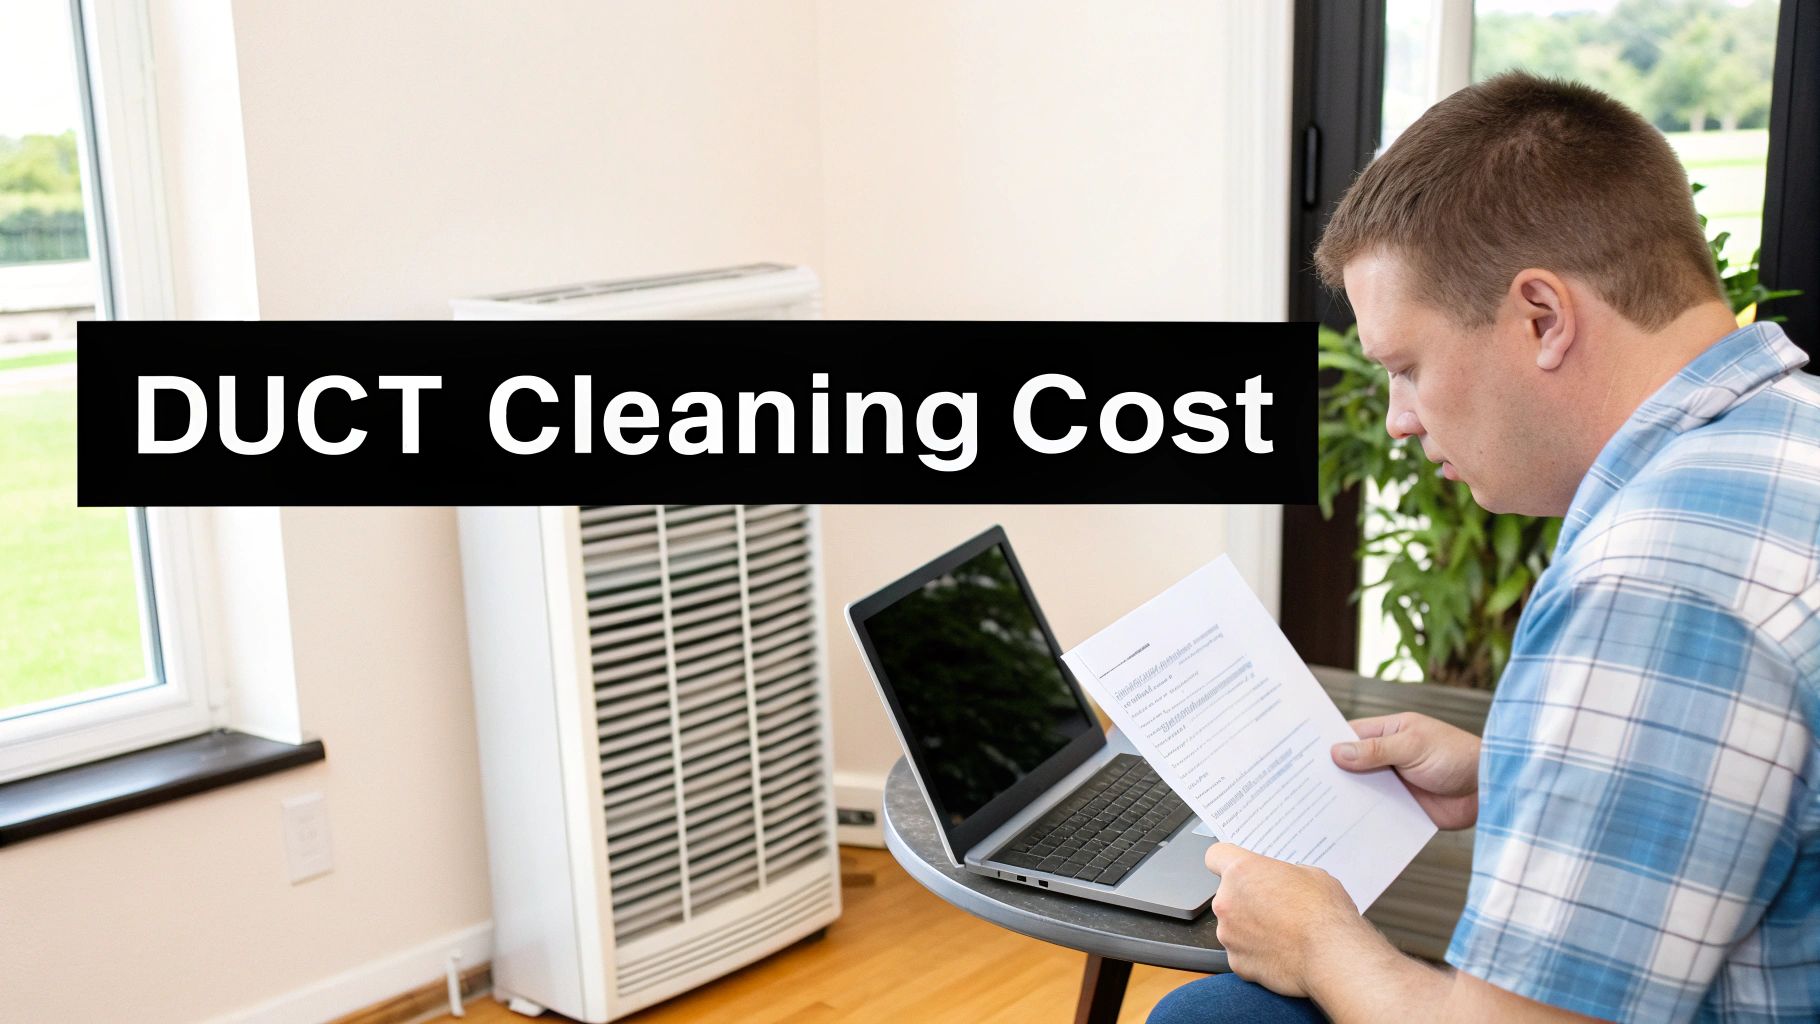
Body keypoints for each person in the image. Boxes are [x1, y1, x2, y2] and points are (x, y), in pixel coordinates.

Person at [1151, 72, 1818, 1023]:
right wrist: (1511, 764)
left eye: (1407, 366)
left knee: (1215, 1015)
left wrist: (1316, 940)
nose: (1399, 419)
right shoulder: (1790, 431)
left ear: (1543, 317)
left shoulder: (1654, 580)